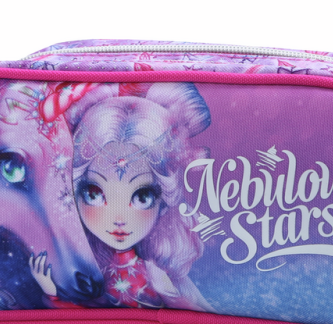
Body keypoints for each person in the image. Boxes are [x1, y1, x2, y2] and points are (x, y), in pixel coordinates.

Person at [30, 82, 212, 311]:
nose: (118, 218)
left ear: (165, 199)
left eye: (142, 197)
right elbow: (87, 315)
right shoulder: (94, 269)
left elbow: (199, 315)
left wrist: (170, 295)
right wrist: (51, 293)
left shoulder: (154, 273)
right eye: (94, 194)